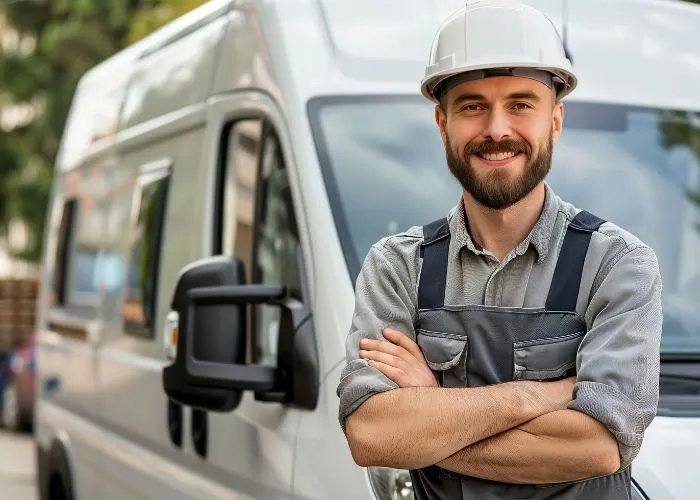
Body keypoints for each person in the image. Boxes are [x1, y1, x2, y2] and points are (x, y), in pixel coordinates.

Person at [336, 1, 662, 499]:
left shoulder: (617, 265)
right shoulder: (398, 266)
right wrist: (536, 396)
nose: (496, 129)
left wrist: (429, 410)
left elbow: (598, 447)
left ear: (555, 120)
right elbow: (372, 435)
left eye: (520, 104)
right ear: (442, 125)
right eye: (472, 106)